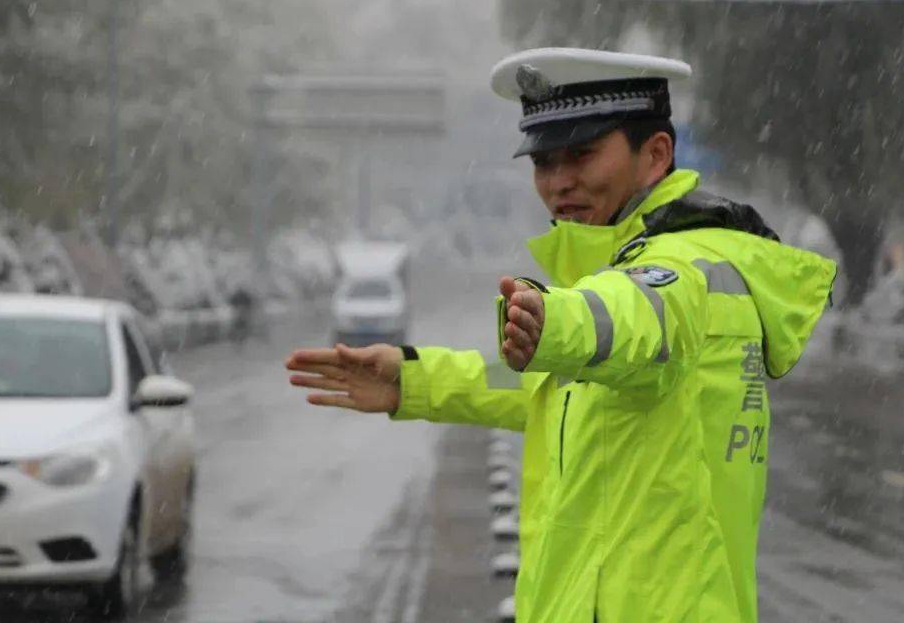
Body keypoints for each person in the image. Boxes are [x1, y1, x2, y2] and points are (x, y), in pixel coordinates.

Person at [285, 48, 836, 622]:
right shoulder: (629, 265)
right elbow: (553, 386)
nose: (558, 182)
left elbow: (635, 322)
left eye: (582, 153)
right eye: (544, 161)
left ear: (656, 154)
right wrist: (412, 378)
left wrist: (554, 323)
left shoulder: (682, 267)